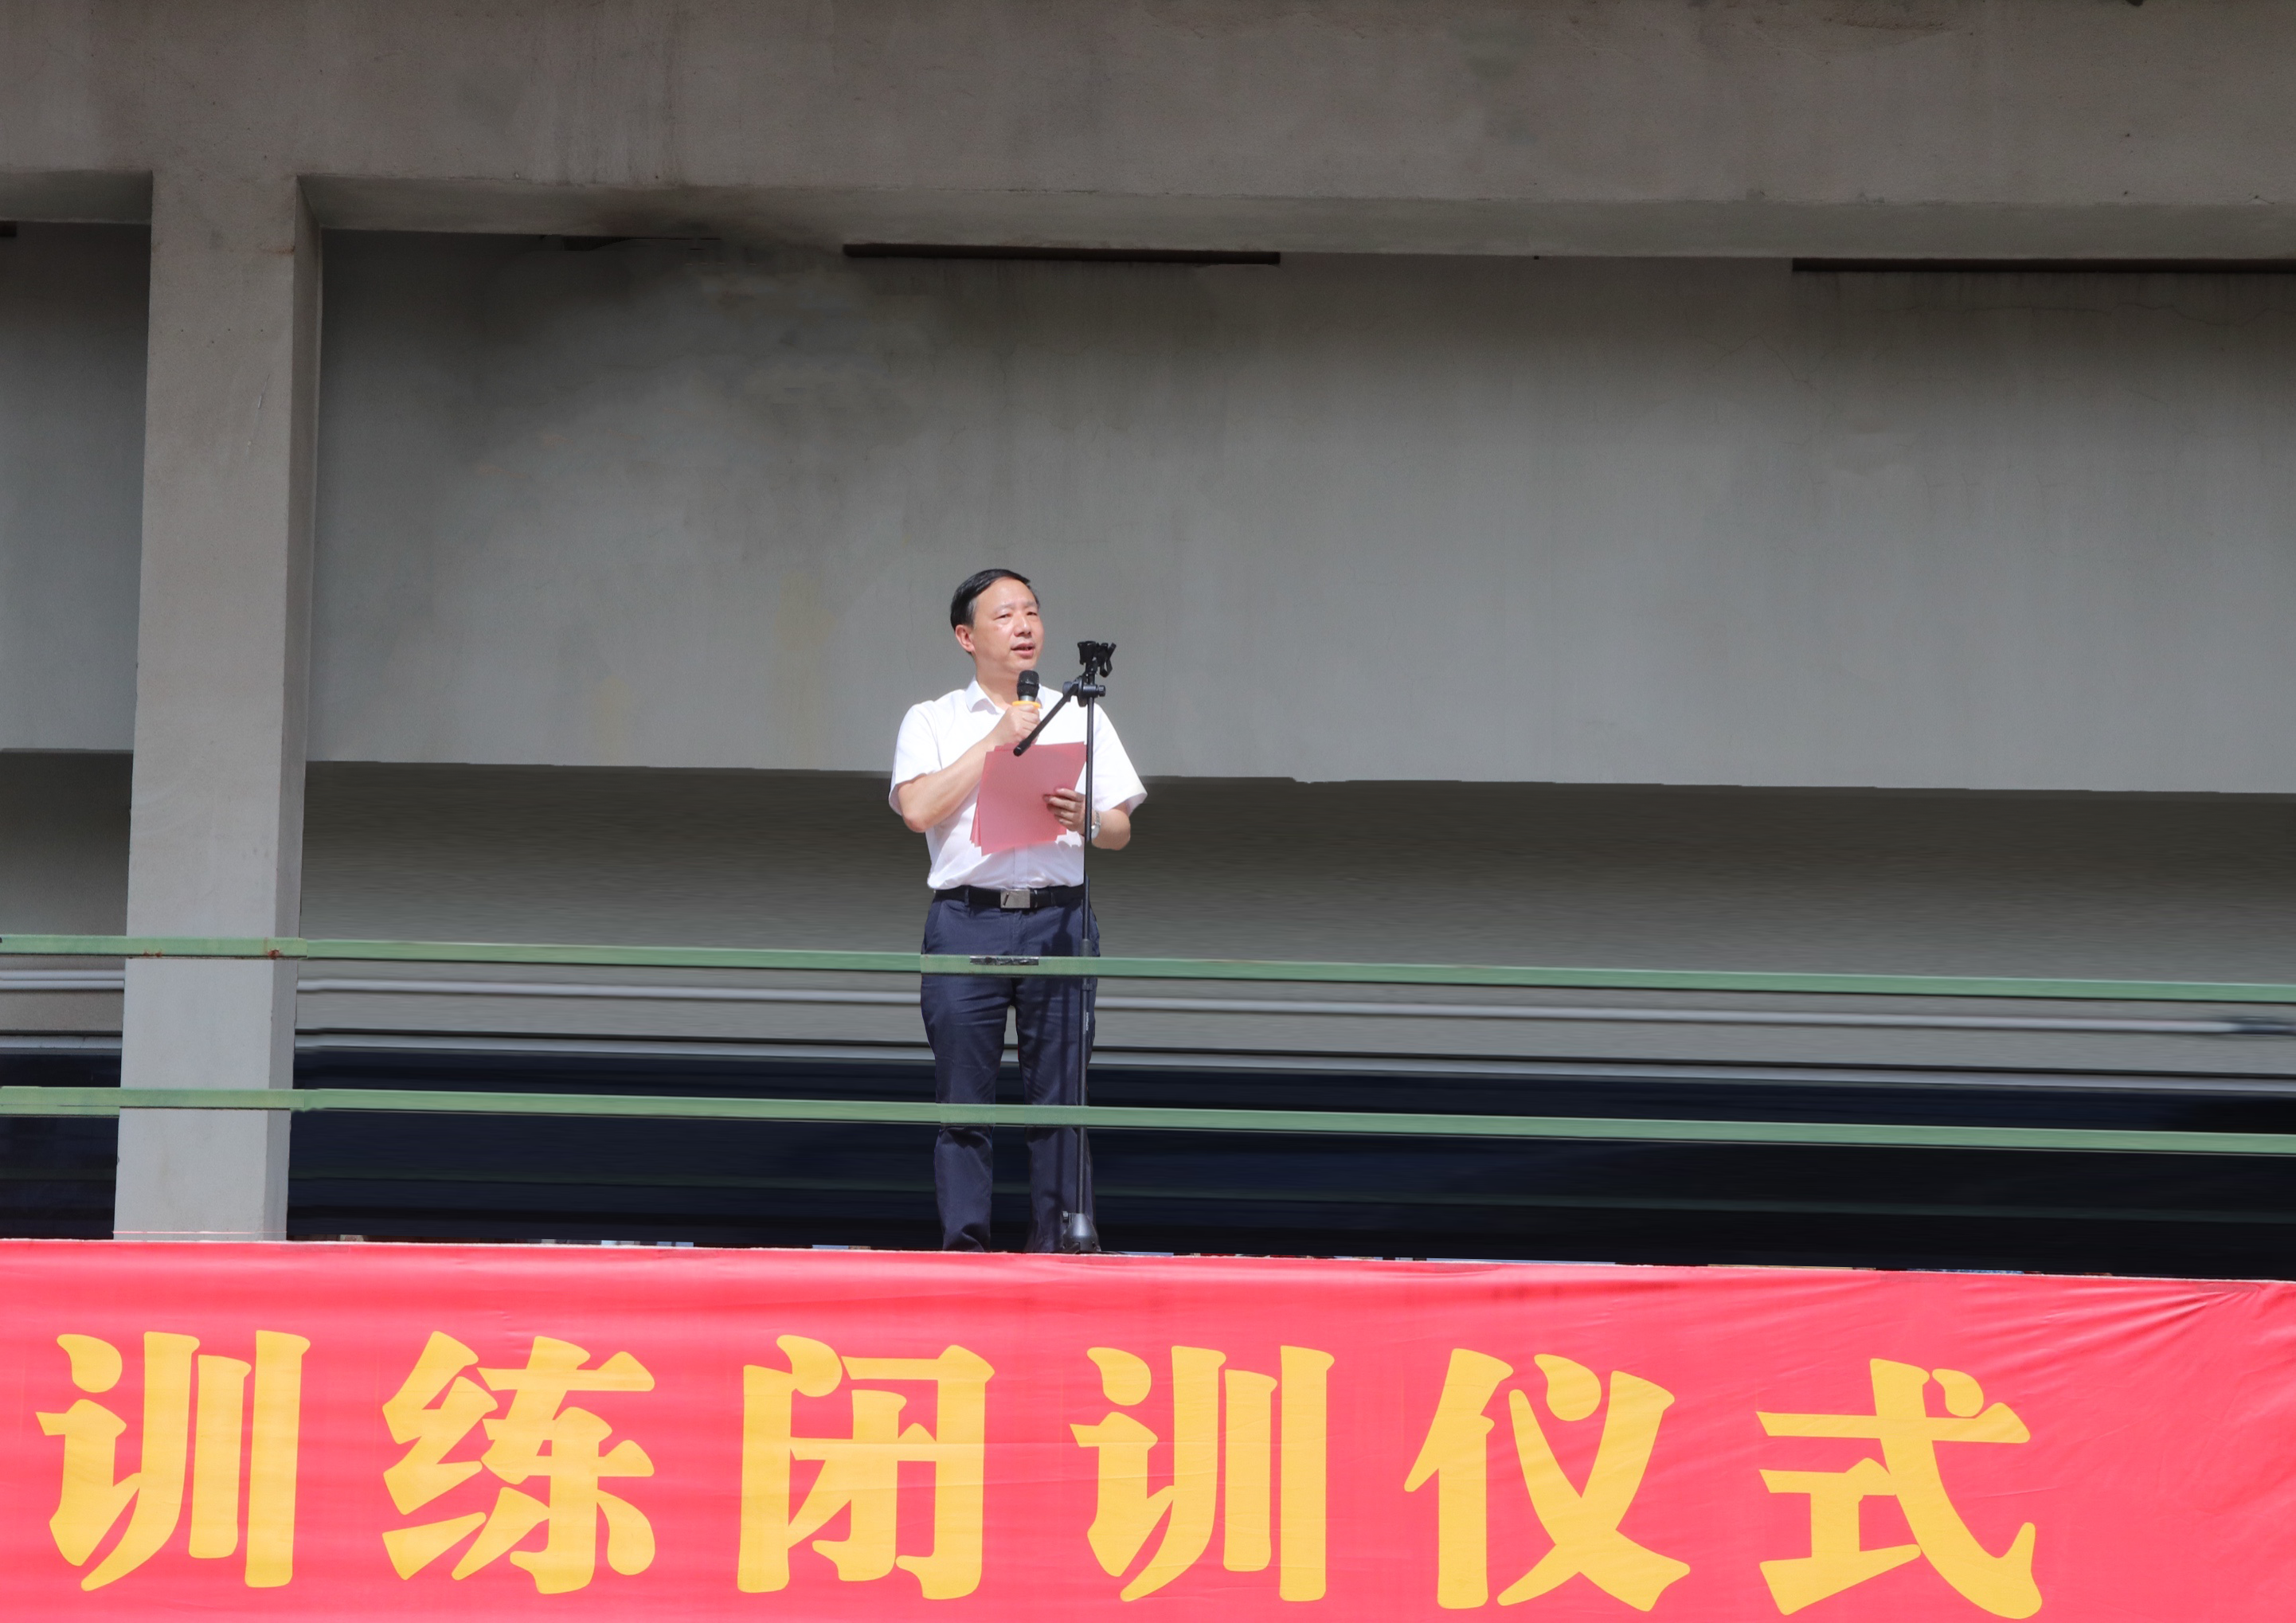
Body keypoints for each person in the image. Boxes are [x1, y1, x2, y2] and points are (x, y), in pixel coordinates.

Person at [890, 569, 1146, 1251]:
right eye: (1004, 615)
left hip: (1058, 919)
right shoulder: (933, 719)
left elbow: (1120, 829)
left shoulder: (1080, 712)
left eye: (1031, 612)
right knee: (962, 1102)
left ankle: (1060, 1247)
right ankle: (964, 1252)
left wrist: (1087, 817)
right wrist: (995, 740)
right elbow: (917, 810)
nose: (1024, 626)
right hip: (966, 919)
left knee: (1059, 1101)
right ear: (966, 636)